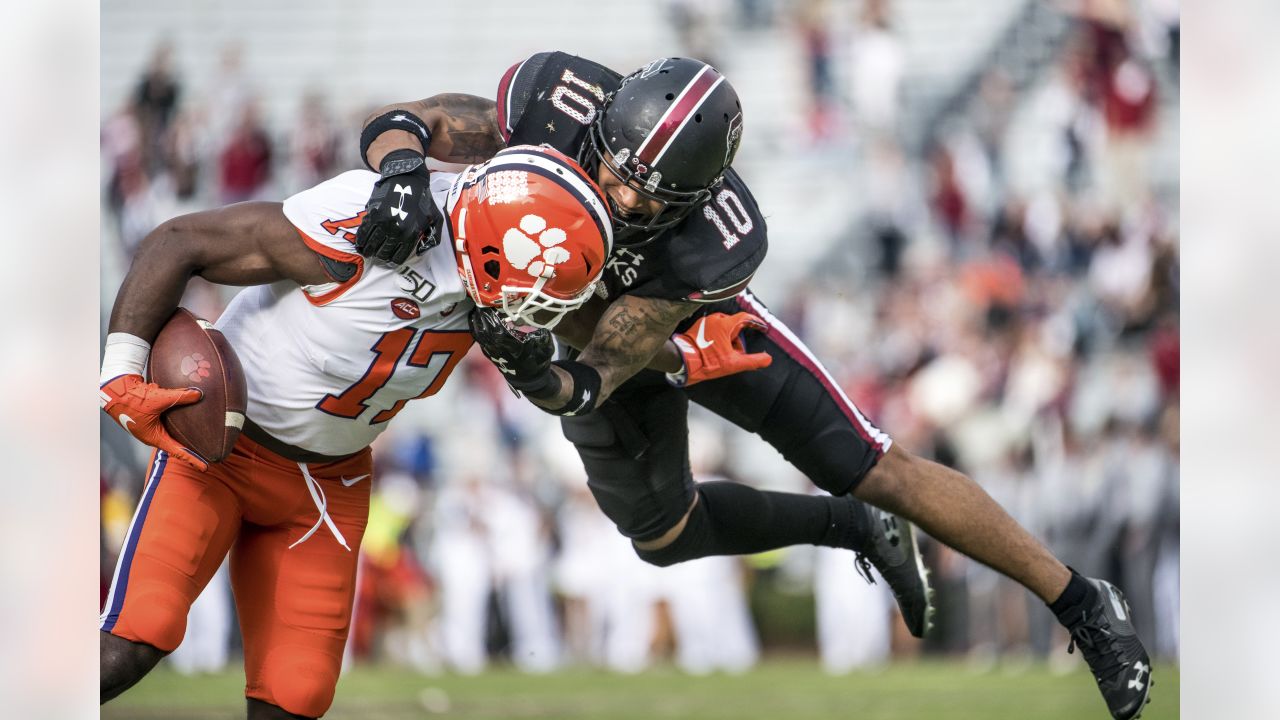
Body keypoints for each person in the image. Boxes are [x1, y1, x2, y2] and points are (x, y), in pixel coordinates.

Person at [356, 54, 1153, 719]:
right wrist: (399, 170)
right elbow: (412, 122)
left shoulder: (716, 239)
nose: (627, 199)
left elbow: (611, 357)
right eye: (622, 174)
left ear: (698, 197)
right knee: (660, 540)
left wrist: (551, 377)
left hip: (693, 334)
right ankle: (851, 530)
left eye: (654, 196)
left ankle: (1084, 604)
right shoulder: (549, 101)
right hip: (577, 325)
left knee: (875, 462)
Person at [98, 144, 612, 719]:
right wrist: (120, 370)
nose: (532, 311)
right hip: (220, 452)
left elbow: (597, 335)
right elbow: (179, 241)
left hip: (328, 485)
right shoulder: (372, 223)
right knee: (138, 635)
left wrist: (682, 355)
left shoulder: (494, 254)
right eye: (528, 290)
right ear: (491, 248)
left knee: (296, 694)